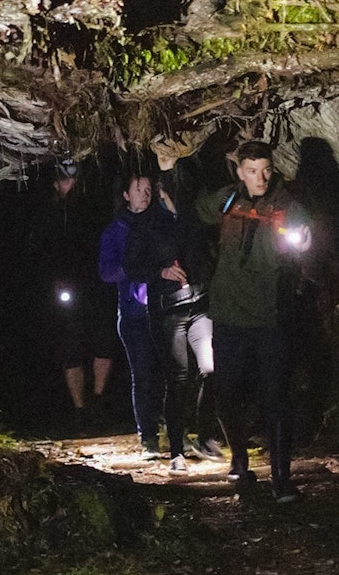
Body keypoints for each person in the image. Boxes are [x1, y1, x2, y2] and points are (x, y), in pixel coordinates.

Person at [196, 140, 311, 501]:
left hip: (269, 318)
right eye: (252, 171)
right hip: (229, 315)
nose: (260, 178)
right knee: (227, 394)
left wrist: (305, 243)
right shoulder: (228, 199)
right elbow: (194, 208)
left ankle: (280, 478)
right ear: (240, 171)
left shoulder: (287, 205)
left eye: (266, 169)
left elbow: (305, 235)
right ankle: (241, 462)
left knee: (276, 396)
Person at [126, 153, 224, 473]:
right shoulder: (146, 223)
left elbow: (210, 250)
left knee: (211, 368)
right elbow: (132, 266)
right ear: (163, 191)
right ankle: (177, 449)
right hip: (168, 311)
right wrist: (161, 271)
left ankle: (206, 436)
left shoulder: (193, 218)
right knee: (179, 379)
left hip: (199, 305)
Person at [29, 159, 116, 435]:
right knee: (72, 350)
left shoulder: (93, 206)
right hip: (67, 290)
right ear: (56, 184)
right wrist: (52, 284)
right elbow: (40, 253)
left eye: (75, 179)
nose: (73, 184)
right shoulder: (49, 214)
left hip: (98, 284)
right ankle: (79, 410)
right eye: (67, 179)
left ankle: (99, 402)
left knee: (104, 344)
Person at [98, 171, 160, 458]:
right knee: (143, 373)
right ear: (126, 194)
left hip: (163, 309)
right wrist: (131, 267)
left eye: (148, 190)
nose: (144, 195)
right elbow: (106, 272)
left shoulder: (161, 222)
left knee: (173, 372)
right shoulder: (115, 231)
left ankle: (177, 430)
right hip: (134, 314)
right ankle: (147, 435)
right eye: (138, 189)